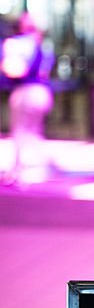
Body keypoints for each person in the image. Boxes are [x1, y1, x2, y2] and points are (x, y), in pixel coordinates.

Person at [2, 13, 52, 184]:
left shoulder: (18, 44)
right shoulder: (43, 46)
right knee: (33, 131)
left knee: (21, 132)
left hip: (27, 90)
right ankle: (32, 169)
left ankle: (22, 171)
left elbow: (15, 70)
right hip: (41, 92)